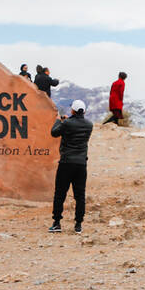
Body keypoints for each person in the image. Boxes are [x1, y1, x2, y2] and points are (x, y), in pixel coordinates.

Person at [50, 99, 93, 234]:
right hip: (81, 164)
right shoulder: (89, 125)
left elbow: (54, 132)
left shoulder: (67, 123)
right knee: (80, 195)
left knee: (60, 194)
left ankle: (57, 223)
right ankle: (78, 225)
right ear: (84, 111)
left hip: (66, 163)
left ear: (72, 110)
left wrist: (59, 120)